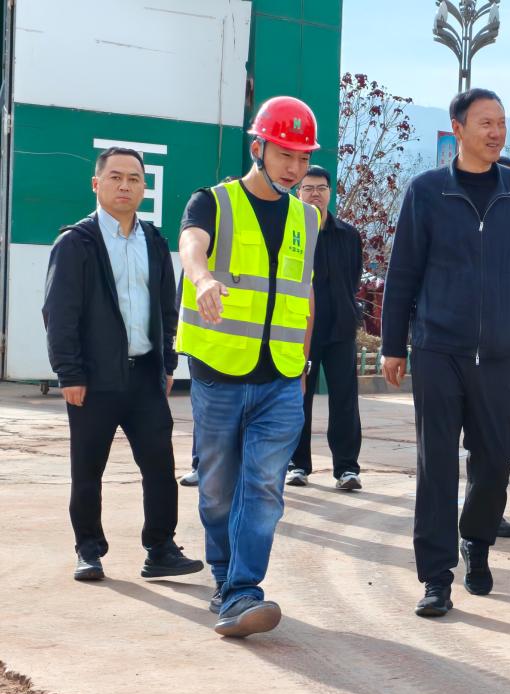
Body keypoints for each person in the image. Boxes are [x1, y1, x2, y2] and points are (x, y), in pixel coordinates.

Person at [381, 88, 510, 618]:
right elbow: (403, 272)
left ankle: (476, 539)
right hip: (438, 349)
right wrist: (393, 344)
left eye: (501, 122)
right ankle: (435, 578)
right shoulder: (427, 191)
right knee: (436, 466)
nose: (496, 132)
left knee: (496, 459)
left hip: (499, 353)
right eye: (485, 123)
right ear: (457, 129)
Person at [177, 96, 320, 637]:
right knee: (218, 490)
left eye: (303, 158)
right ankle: (224, 578)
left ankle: (242, 590)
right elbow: (192, 244)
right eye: (285, 154)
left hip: (281, 378)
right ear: (257, 147)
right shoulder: (212, 201)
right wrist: (202, 278)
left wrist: (302, 362)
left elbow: (303, 294)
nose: (295, 168)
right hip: (220, 374)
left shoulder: (308, 218)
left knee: (263, 488)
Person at [42, 146, 203, 582]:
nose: (125, 186)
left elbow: (167, 309)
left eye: (134, 179)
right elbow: (59, 313)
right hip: (93, 380)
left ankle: (161, 549)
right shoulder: (76, 242)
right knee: (87, 469)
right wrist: (69, 373)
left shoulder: (154, 241)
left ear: (144, 188)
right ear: (97, 184)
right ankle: (88, 550)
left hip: (145, 376)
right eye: (115, 177)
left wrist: (167, 363)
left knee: (159, 467)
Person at [285, 165, 365, 492]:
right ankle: (298, 465)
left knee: (345, 401)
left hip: (340, 330)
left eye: (321, 188)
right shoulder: (290, 231)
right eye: (308, 188)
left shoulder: (348, 235)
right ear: (298, 193)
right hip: (301, 330)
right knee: (298, 397)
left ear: (330, 193)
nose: (314, 194)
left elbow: (354, 279)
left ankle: (347, 469)